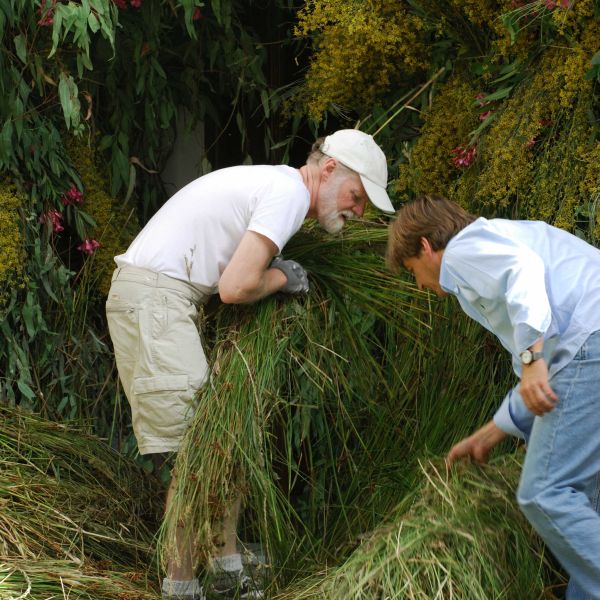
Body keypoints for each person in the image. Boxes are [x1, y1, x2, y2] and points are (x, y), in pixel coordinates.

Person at [105, 129, 394, 600]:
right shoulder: (286, 195)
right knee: (201, 449)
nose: (358, 211)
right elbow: (236, 288)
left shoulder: (278, 188)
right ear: (327, 171)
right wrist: (282, 277)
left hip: (163, 299)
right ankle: (179, 585)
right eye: (356, 196)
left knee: (224, 437)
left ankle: (225, 567)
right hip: (157, 300)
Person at [386, 194, 600, 600]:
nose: (421, 286)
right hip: (588, 342)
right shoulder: (497, 246)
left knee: (545, 492)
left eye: (414, 271)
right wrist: (489, 434)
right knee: (586, 503)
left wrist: (532, 357)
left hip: (591, 340)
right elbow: (540, 384)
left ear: (427, 247)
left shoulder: (466, 248)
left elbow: (524, 276)